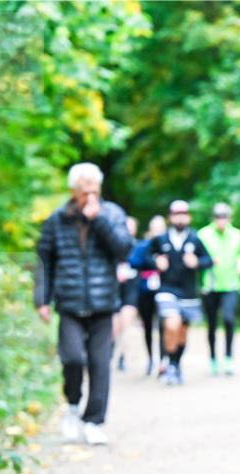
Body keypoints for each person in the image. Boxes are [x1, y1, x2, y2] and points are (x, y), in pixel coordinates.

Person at [35, 162, 134, 445]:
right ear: (73, 191)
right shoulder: (57, 220)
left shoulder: (112, 214)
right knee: (72, 359)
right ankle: (73, 405)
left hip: (104, 303)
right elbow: (44, 261)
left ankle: (94, 422)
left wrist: (99, 220)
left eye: (94, 191)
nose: (90, 197)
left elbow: (124, 249)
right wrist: (42, 299)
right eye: (84, 191)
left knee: (100, 363)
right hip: (69, 303)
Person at [141, 200, 212, 385]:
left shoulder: (195, 239)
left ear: (188, 217)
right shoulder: (161, 239)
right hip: (166, 290)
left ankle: (175, 364)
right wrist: (156, 262)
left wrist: (196, 262)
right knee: (172, 324)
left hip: (188, 293)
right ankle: (170, 364)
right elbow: (143, 258)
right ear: (171, 217)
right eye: (176, 214)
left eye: (183, 214)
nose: (180, 217)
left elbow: (208, 260)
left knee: (182, 332)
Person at [198, 202, 240, 375]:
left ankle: (228, 358)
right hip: (210, 285)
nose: (222, 220)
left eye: (225, 217)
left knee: (229, 319)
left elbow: (239, 254)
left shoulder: (237, 235)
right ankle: (213, 359)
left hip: (231, 284)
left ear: (229, 218)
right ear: (213, 218)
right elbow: (198, 258)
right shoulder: (203, 234)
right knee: (212, 324)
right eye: (218, 217)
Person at [130, 215, 168, 375]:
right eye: (155, 229)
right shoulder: (143, 246)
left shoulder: (167, 246)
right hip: (145, 291)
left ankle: (163, 360)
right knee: (147, 326)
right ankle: (151, 358)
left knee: (163, 325)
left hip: (164, 290)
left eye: (161, 228)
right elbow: (133, 262)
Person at [113, 216, 141, 372]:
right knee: (114, 327)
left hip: (131, 291)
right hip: (115, 291)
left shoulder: (138, 248)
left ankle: (122, 357)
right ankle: (111, 353)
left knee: (126, 322)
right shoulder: (113, 246)